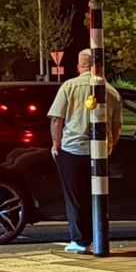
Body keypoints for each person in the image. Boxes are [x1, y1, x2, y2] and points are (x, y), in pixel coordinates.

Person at [48, 49, 122, 253]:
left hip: (72, 150)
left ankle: (80, 241)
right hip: (99, 153)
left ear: (79, 66)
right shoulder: (110, 91)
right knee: (96, 196)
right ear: (99, 66)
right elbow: (116, 126)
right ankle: (98, 238)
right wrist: (109, 147)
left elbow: (56, 119)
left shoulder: (68, 87)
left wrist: (56, 144)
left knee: (75, 197)